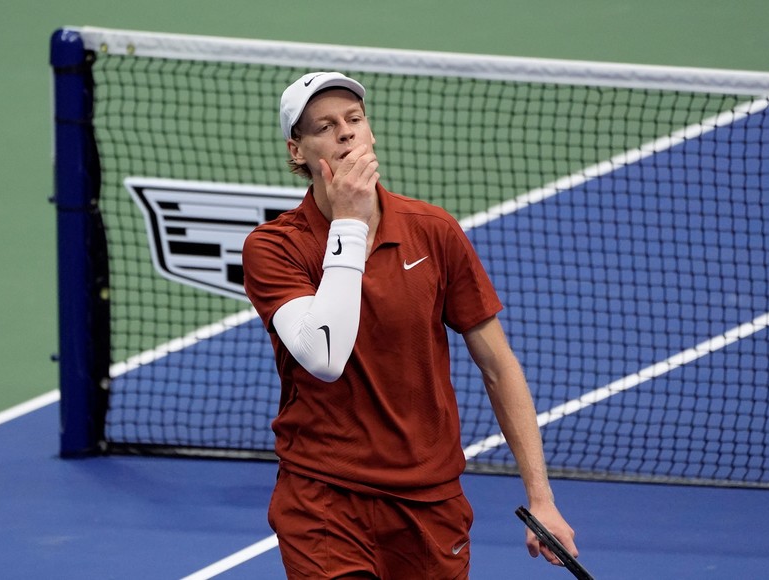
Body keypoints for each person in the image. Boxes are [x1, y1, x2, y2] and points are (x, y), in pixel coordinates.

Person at [242, 71, 578, 579]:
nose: (346, 132)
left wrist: (542, 497)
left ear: (370, 132)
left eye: (354, 119)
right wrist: (350, 224)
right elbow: (324, 357)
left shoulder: (434, 231)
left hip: (429, 500)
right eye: (325, 126)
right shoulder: (274, 248)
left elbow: (497, 365)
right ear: (298, 152)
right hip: (324, 499)